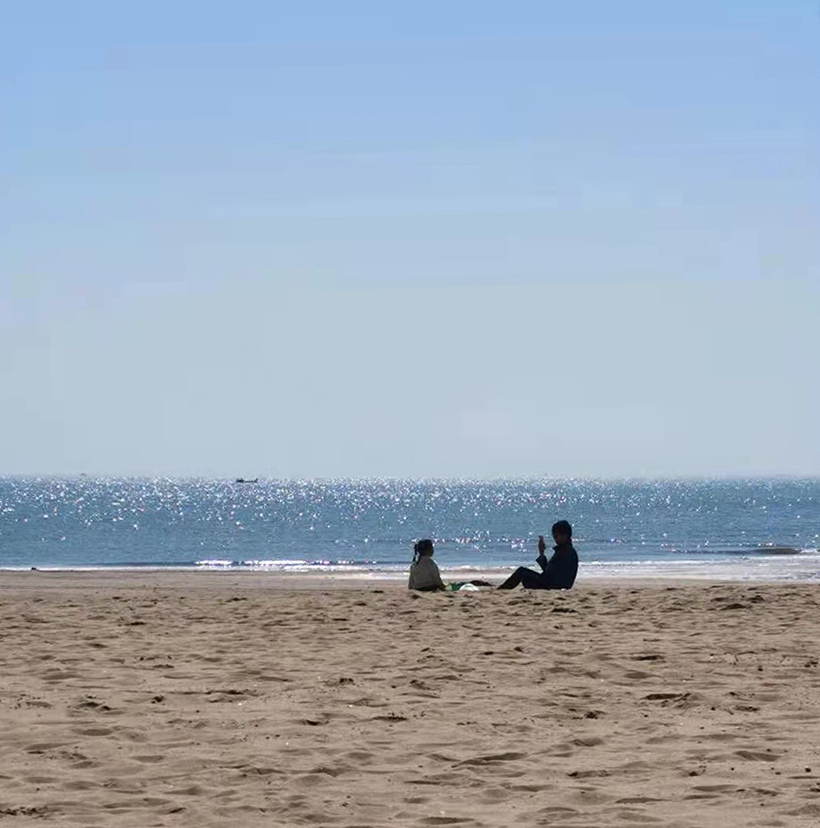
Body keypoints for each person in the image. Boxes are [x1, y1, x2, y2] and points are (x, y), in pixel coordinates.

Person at [497, 520, 578, 590]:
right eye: (554, 536)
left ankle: (503, 589)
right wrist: (541, 553)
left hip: (553, 586)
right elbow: (550, 573)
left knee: (521, 571)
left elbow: (548, 575)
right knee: (523, 573)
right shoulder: (567, 551)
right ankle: (503, 588)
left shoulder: (565, 552)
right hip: (555, 585)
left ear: (565, 535)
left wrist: (542, 554)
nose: (555, 539)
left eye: (556, 536)